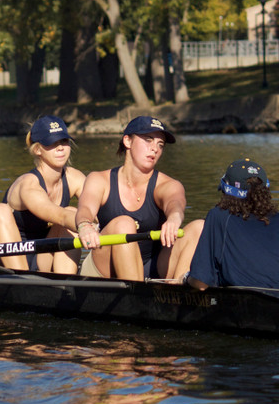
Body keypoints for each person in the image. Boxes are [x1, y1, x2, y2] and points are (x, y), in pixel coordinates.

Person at [74, 116, 202, 281]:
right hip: (106, 266)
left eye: (160, 144)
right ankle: (137, 298)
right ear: (127, 141)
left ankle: (178, 293)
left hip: (153, 265)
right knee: (124, 223)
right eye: (148, 140)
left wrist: (174, 218)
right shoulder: (99, 180)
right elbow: (85, 209)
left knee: (199, 227)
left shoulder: (169, 184)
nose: (155, 148)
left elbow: (175, 203)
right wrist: (85, 225)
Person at [187, 159, 279, 290]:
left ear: (226, 191)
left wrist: (185, 278)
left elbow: (201, 283)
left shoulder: (218, 215)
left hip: (249, 304)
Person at [0, 116, 87, 273]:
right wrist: (85, 226)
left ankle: (66, 285)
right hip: (5, 259)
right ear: (38, 149)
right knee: (0, 210)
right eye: (52, 143)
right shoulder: (28, 184)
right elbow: (59, 215)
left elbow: (99, 208)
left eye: (64, 141)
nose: (60, 148)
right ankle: (23, 281)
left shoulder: (74, 178)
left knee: (75, 212)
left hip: (41, 258)